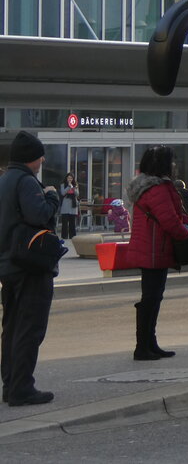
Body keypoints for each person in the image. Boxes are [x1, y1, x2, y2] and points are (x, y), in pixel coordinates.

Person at [0, 130, 60, 406]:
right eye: (39, 155)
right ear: (30, 159)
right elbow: (40, 215)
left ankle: (11, 383)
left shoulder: (4, 181)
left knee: (12, 327)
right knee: (30, 327)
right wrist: (51, 197)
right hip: (30, 266)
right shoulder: (26, 182)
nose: (43, 159)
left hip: (8, 266)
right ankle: (22, 387)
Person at [126, 146, 188, 361]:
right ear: (162, 164)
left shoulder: (146, 187)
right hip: (155, 250)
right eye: (171, 161)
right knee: (151, 298)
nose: (174, 165)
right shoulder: (159, 189)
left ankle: (149, 343)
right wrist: (187, 233)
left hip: (150, 249)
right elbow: (170, 221)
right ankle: (143, 346)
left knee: (152, 297)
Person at [59, 173, 79, 241]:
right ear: (66, 178)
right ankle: (64, 236)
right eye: (68, 178)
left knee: (72, 222)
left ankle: (72, 235)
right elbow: (63, 193)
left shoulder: (75, 185)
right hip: (65, 205)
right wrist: (68, 187)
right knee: (64, 222)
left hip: (73, 205)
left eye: (71, 178)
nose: (70, 179)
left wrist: (73, 188)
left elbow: (77, 194)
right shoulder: (63, 185)